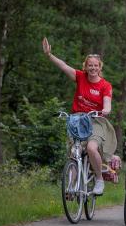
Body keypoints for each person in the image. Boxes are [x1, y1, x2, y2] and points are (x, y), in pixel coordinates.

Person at [42, 37, 116, 195]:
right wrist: (49, 55)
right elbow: (63, 66)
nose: (93, 68)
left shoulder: (105, 85)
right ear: (85, 66)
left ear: (100, 67)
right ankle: (71, 185)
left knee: (91, 147)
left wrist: (106, 109)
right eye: (90, 65)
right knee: (74, 152)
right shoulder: (80, 77)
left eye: (96, 65)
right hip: (78, 120)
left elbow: (107, 102)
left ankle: (99, 180)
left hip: (96, 120)